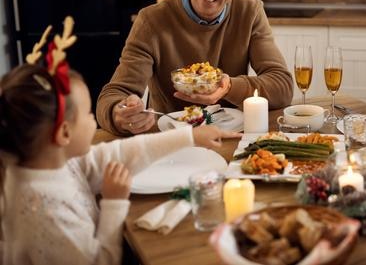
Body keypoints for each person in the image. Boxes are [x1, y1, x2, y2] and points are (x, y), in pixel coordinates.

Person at [0, 19, 241, 265]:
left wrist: (188, 136)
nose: (92, 119)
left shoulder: (52, 161)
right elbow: (102, 261)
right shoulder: (48, 213)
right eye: (87, 115)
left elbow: (112, 154)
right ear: (63, 134)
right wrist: (114, 203)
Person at [96, 0, 293, 135]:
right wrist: (119, 113)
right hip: (172, 141)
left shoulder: (250, 11)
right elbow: (114, 93)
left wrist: (227, 87)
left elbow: (282, 86)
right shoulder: (151, 20)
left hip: (229, 138)